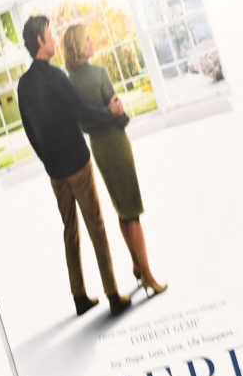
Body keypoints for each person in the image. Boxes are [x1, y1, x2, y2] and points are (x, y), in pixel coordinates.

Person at [17, 16, 132, 317]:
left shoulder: (24, 85)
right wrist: (111, 113)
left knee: (70, 231)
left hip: (55, 172)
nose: (54, 39)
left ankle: (79, 296)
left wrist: (47, 161)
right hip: (77, 166)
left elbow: (30, 131)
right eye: (49, 35)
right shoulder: (56, 77)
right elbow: (83, 112)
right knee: (96, 228)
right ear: (40, 41)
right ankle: (113, 295)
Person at [62, 24, 167, 298]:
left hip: (99, 148)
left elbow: (83, 124)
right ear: (77, 46)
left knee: (122, 209)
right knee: (132, 210)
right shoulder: (99, 73)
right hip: (117, 145)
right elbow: (117, 111)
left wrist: (111, 111)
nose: (91, 41)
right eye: (86, 39)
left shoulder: (69, 83)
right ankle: (148, 276)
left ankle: (136, 264)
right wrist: (118, 114)